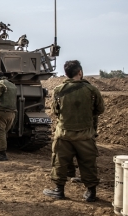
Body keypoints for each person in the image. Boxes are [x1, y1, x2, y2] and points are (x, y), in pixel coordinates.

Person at [43, 60, 105, 202]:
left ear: (66, 74)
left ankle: (59, 190)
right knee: (88, 162)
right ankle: (91, 192)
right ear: (80, 72)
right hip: (86, 134)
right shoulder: (92, 90)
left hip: (64, 134)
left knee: (60, 161)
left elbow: (55, 111)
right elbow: (100, 109)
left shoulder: (59, 90)